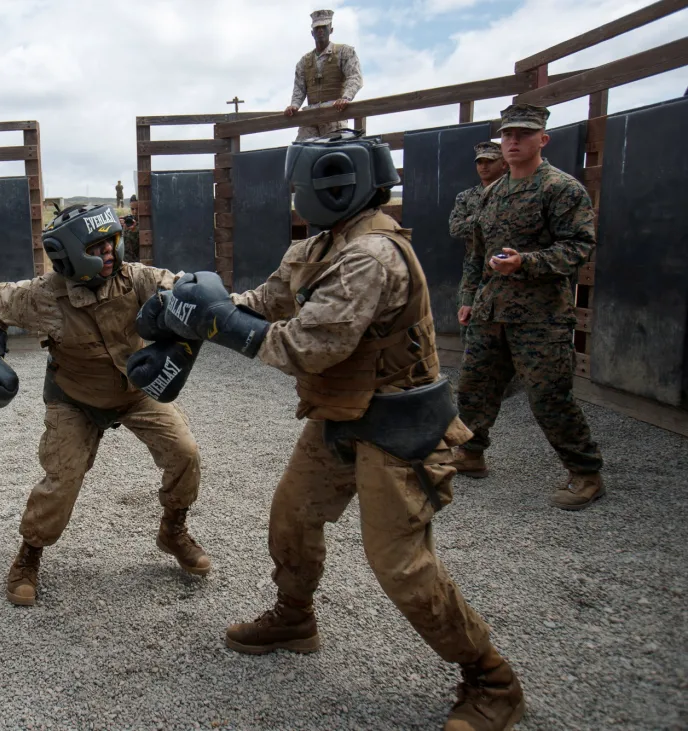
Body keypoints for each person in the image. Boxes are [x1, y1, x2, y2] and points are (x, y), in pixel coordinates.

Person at [141, 132, 524, 730]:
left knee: (400, 563)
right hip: (341, 414)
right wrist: (188, 313)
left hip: (398, 426)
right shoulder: (322, 244)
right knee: (292, 517)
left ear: (332, 183)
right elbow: (266, 301)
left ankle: (492, 681)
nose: (294, 197)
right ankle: (295, 617)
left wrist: (218, 327)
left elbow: (308, 347)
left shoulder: (371, 255)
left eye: (300, 187)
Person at [0, 203, 210, 606]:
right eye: (96, 248)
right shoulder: (41, 296)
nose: (109, 255)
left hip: (135, 392)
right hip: (74, 398)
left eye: (112, 244)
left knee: (184, 452)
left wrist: (206, 300)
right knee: (62, 479)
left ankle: (173, 529)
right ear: (69, 254)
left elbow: (184, 292)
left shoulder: (137, 279)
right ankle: (29, 554)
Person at [453, 104, 604, 510]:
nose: (513, 141)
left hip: (541, 315)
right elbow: (475, 253)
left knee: (548, 394)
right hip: (491, 310)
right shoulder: (493, 193)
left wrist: (528, 261)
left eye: (523, 134)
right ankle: (470, 453)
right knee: (473, 386)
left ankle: (586, 472)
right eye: (507, 135)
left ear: (543, 139)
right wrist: (468, 299)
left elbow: (579, 246)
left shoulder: (561, 188)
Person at [449, 141, 507, 346]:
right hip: (474, 269)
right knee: (469, 327)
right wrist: (485, 220)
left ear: (503, 163)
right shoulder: (466, 197)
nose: (484, 166)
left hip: (508, 269)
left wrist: (472, 220)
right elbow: (455, 228)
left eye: (490, 161)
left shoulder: (512, 193)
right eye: (480, 162)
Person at [285, 9, 363, 141]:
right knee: (302, 150)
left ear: (331, 30)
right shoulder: (304, 62)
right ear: (312, 33)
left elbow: (355, 77)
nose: (320, 31)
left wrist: (346, 98)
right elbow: (299, 88)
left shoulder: (344, 52)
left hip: (334, 113)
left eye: (324, 27)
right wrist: (294, 105)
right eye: (317, 28)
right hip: (311, 115)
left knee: (336, 150)